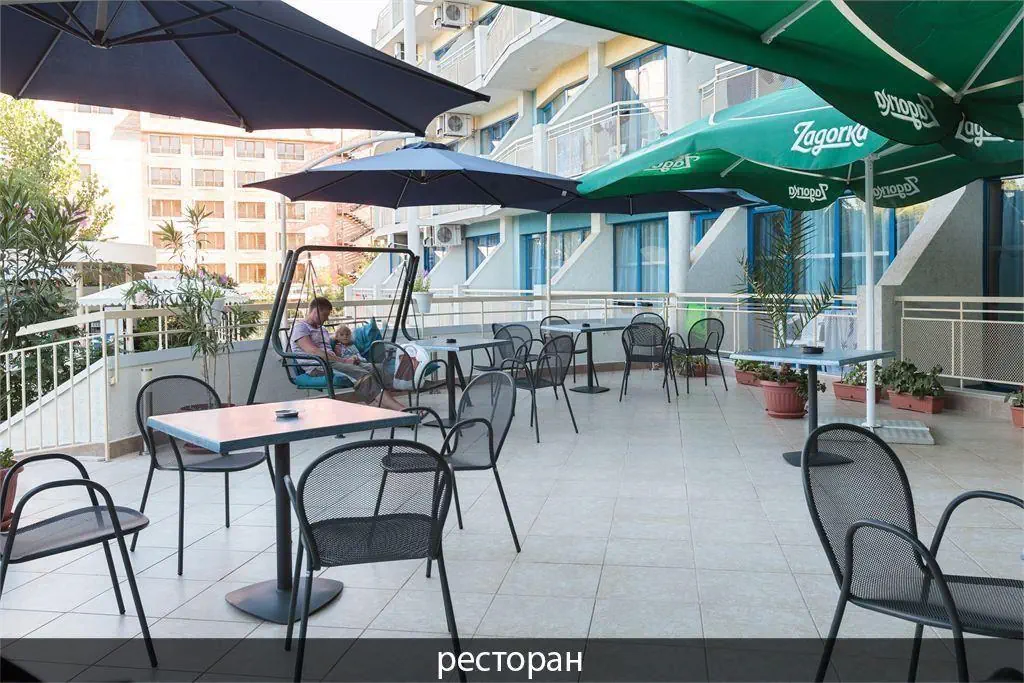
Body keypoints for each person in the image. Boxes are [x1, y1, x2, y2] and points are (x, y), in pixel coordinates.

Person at [289, 297, 405, 411]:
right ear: (316, 311)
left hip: (334, 361)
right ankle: (400, 409)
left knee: (377, 368)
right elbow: (313, 351)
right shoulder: (300, 328)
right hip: (320, 366)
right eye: (325, 315)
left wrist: (346, 353)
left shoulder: (322, 329)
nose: (327, 318)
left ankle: (385, 403)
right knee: (362, 374)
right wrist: (344, 361)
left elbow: (333, 342)